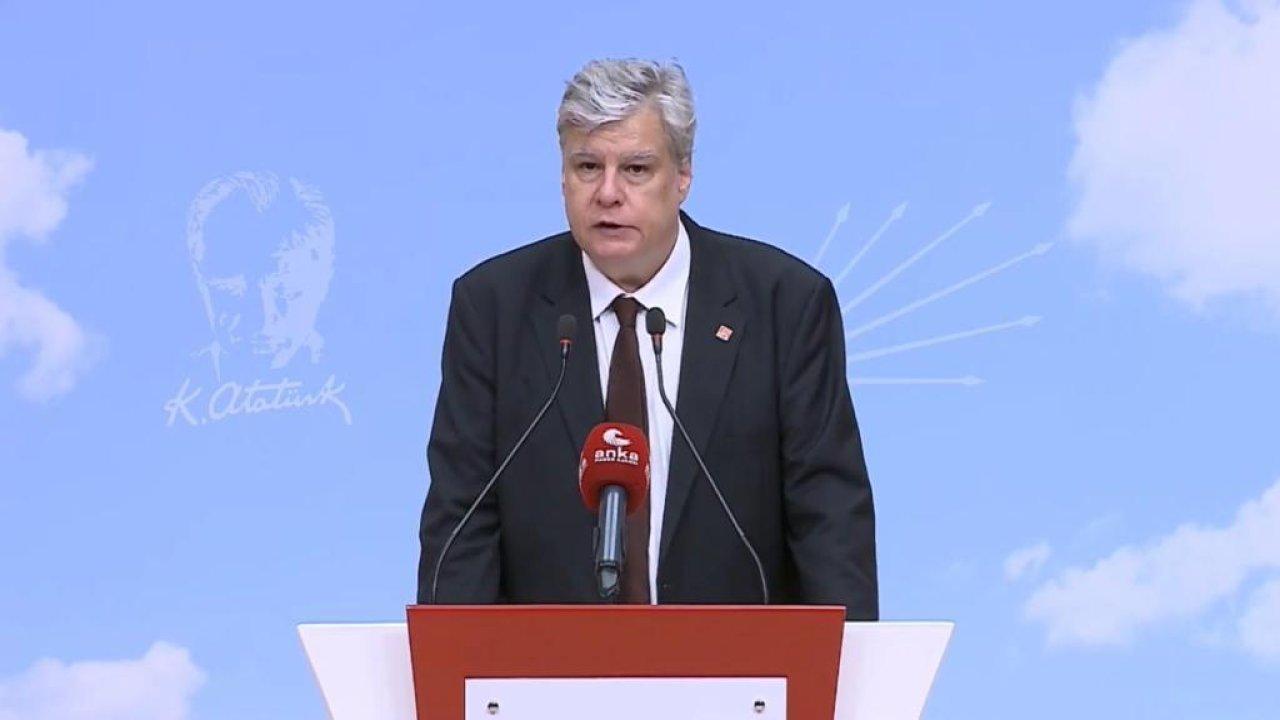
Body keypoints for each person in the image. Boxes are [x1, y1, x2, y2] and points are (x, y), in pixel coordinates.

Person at [417, 59, 877, 619]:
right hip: (545, 666)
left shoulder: (784, 304)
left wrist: (848, 664)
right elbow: (461, 524)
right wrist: (458, 663)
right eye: (587, 166)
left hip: (738, 664)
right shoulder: (494, 307)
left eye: (636, 169)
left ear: (683, 176)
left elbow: (830, 520)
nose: (608, 193)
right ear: (562, 175)